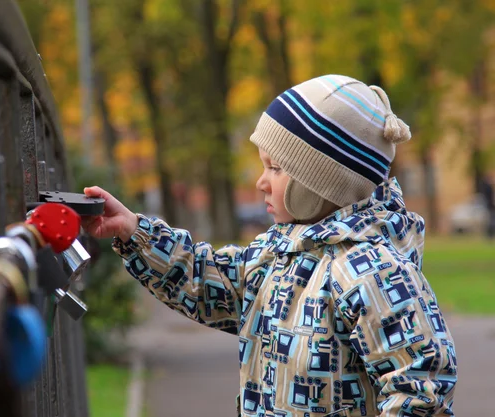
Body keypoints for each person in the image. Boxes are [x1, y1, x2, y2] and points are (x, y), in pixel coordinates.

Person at [82, 75, 457, 417]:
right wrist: (134, 231)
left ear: (321, 182)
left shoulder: (373, 270)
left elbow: (422, 387)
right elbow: (206, 282)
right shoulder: (279, 253)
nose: (261, 182)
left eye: (275, 168)